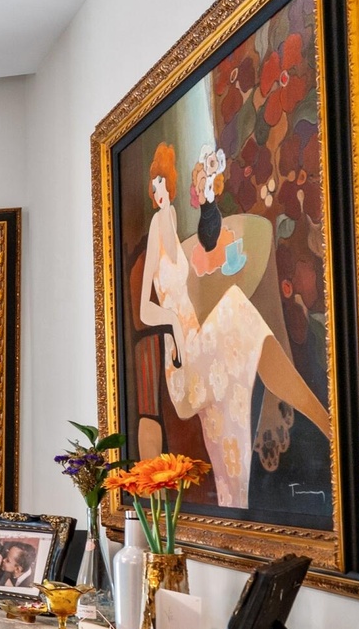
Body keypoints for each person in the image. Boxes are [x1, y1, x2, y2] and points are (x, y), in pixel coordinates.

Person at [136, 142, 333, 507]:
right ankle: (324, 421)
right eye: (155, 186)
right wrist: (174, 325)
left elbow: (190, 277)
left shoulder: (172, 219)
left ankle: (322, 423)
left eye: (163, 184)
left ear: (172, 186)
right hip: (181, 362)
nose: (159, 191)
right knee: (238, 308)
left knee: (244, 320)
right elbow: (147, 311)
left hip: (195, 339)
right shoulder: (155, 227)